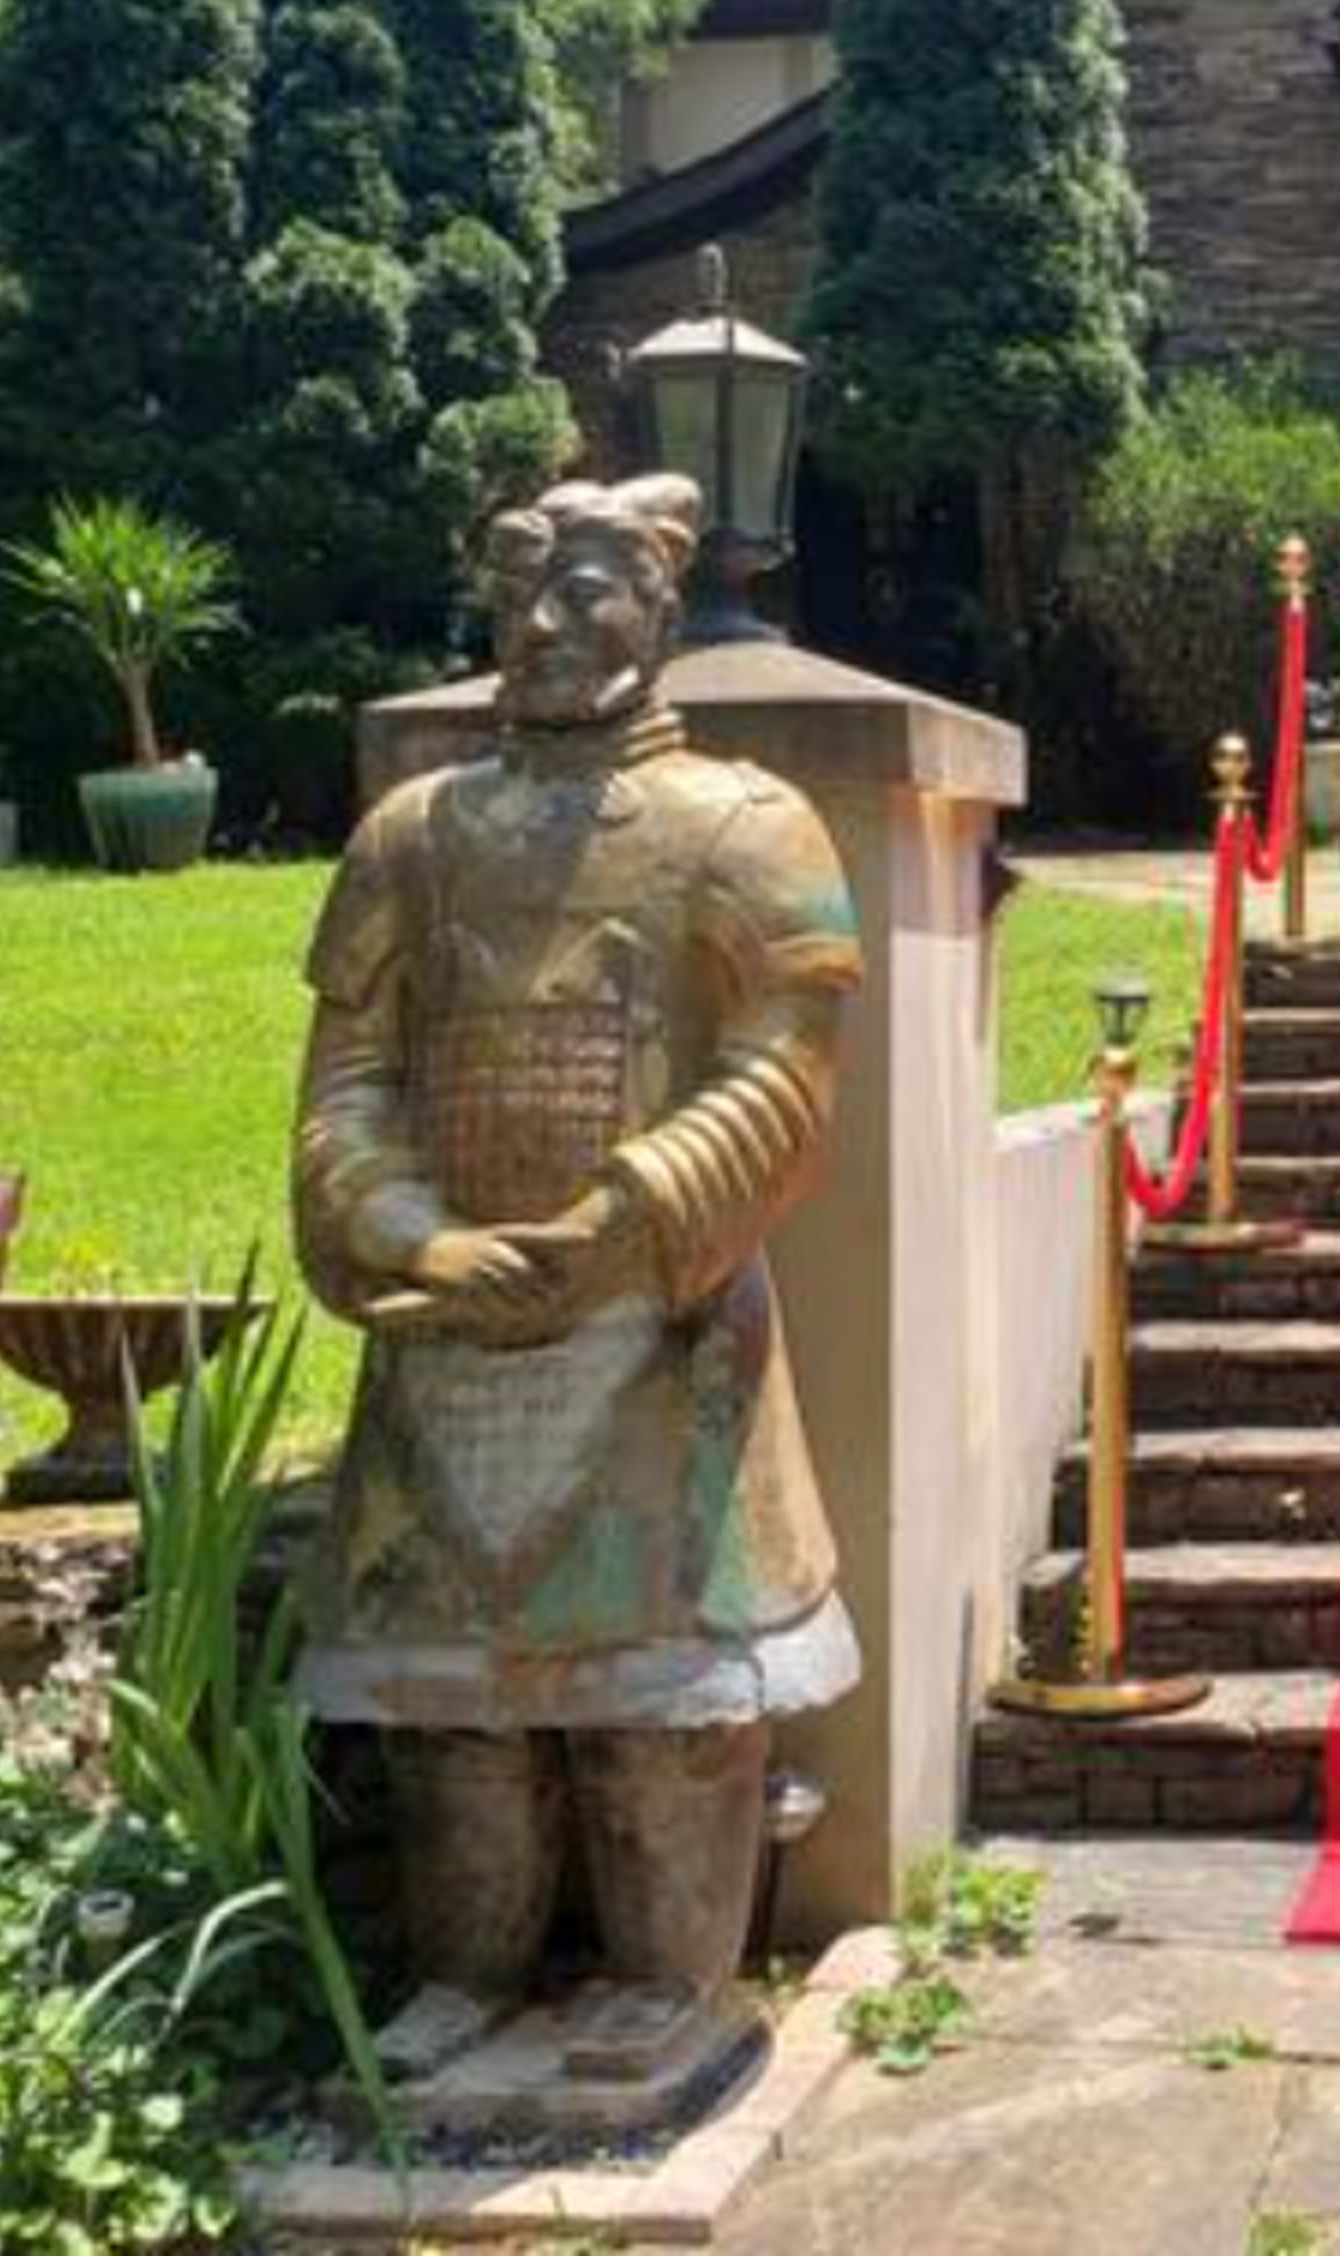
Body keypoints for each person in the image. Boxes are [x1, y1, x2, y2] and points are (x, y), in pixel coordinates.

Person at [291, 473, 865, 2093]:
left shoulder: (748, 830)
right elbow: (344, 1078)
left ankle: (668, 1974)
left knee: (660, 1706)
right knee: (451, 1707)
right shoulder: (409, 838)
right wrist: (413, 1234)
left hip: (655, 1327)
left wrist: (629, 1210)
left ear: (662, 611)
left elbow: (786, 1068)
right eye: (519, 595)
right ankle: (465, 1968)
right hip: (450, 1332)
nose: (544, 627)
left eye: (589, 591)